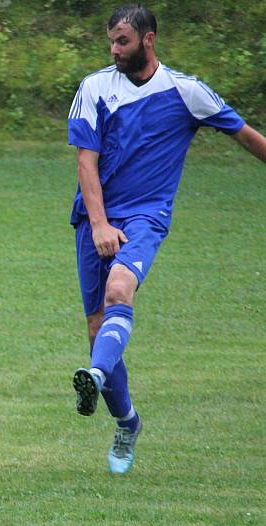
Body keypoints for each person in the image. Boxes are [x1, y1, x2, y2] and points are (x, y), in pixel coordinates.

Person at [67, 4, 266, 475]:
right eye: (111, 42)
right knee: (98, 331)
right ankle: (127, 421)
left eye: (123, 41)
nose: (114, 50)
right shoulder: (95, 87)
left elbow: (245, 136)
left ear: (148, 39)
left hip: (146, 217)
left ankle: (94, 374)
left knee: (120, 290)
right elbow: (85, 162)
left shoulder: (186, 91)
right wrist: (98, 225)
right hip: (93, 219)